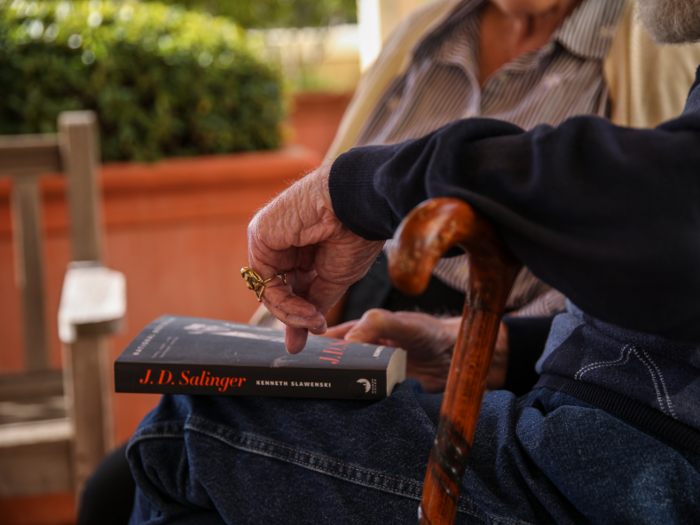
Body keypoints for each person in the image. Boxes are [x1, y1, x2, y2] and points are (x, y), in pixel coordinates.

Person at [125, 0, 700, 522]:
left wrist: (360, 189)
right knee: (141, 465)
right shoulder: (430, 30)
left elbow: (662, 210)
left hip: (605, 460)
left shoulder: (641, 49)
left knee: (184, 431)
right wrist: (481, 351)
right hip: (518, 378)